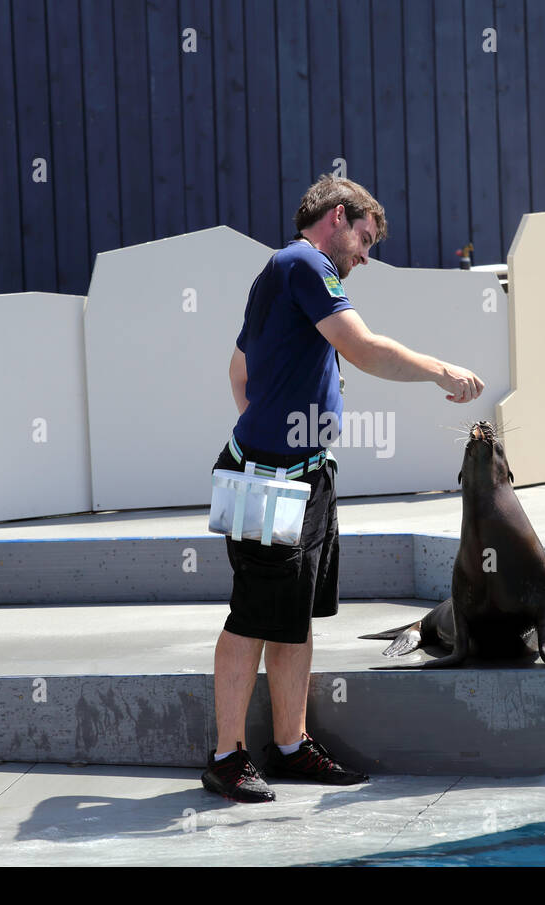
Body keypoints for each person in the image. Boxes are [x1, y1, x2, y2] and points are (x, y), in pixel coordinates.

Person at [203, 176, 485, 802]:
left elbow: (239, 368)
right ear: (337, 217)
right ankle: (226, 757)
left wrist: (270, 425)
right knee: (251, 618)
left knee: (293, 619)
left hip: (305, 474)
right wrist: (444, 372)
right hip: (272, 481)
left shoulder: (280, 274)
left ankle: (290, 745)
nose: (365, 255)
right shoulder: (302, 262)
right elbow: (362, 349)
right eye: (364, 238)